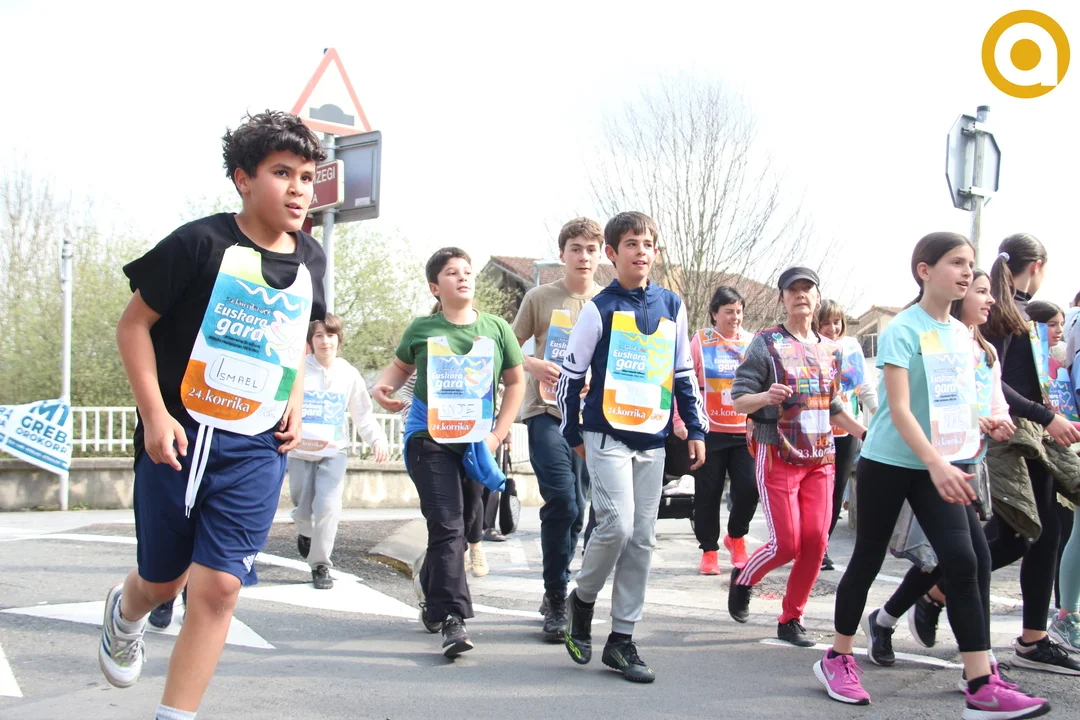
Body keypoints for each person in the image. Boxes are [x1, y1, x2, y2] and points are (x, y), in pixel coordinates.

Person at [100, 111, 327, 720]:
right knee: (162, 581)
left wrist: (294, 398)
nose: (299, 189)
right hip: (179, 438)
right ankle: (126, 612)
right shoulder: (199, 243)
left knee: (221, 586)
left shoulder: (312, 258)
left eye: (308, 177)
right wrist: (154, 415)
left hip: (256, 446)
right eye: (282, 173)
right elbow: (132, 327)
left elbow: (295, 335)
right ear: (243, 179)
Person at [814, 232, 1050, 718]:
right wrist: (939, 464)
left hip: (940, 465)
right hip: (890, 462)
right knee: (867, 559)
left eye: (970, 264)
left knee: (965, 560)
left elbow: (952, 402)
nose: (966, 272)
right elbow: (900, 410)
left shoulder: (962, 335)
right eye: (956, 263)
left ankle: (980, 683)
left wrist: (980, 422)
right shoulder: (904, 329)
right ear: (925, 270)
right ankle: (837, 657)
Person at [880, 236, 1080, 674]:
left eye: (983, 284)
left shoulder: (1003, 322)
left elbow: (995, 387)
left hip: (1008, 442)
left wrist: (1025, 414)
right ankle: (933, 627)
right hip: (980, 449)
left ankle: (991, 642)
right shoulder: (973, 325)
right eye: (975, 286)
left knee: (1000, 546)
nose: (984, 297)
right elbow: (970, 387)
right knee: (975, 550)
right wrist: (1040, 416)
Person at [558, 211, 707, 683]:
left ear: (655, 253)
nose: (641, 251)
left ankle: (621, 640)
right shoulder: (598, 309)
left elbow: (683, 373)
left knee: (643, 539)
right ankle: (582, 601)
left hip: (653, 440)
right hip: (605, 436)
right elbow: (570, 378)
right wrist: (573, 434)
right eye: (631, 244)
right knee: (616, 527)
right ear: (612, 253)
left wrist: (696, 429)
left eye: (648, 244)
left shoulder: (672, 305)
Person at [861, 270, 1015, 676]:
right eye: (980, 291)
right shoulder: (922, 335)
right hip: (922, 461)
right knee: (946, 557)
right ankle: (973, 663)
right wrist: (963, 429)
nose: (989, 299)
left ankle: (973, 664)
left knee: (968, 557)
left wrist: (996, 420)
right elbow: (916, 404)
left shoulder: (982, 349)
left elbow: (992, 399)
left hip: (967, 460)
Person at [372, 247, 525, 658]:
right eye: (452, 273)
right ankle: (453, 619)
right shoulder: (422, 328)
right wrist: (382, 388)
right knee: (448, 524)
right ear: (434, 287)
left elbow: (515, 383)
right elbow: (399, 369)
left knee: (468, 523)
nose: (463, 277)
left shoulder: (496, 329)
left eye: (467, 271)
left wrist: (497, 436)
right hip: (429, 438)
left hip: (476, 444)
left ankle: (431, 588)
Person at [727, 267, 865, 647]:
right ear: (782, 299)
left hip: (820, 456)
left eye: (808, 289)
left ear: (817, 298)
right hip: (777, 452)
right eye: (793, 290)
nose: (801, 295)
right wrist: (765, 397)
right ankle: (744, 578)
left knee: (816, 543)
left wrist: (864, 433)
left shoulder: (829, 349)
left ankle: (791, 618)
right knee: (786, 544)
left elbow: (833, 405)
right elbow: (738, 399)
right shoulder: (765, 343)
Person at [511, 216, 604, 640]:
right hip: (545, 412)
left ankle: (560, 587)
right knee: (563, 502)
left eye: (591, 250)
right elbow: (509, 346)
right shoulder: (540, 297)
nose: (583, 257)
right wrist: (533, 364)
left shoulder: (608, 301)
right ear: (562, 254)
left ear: (601, 255)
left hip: (589, 418)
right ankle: (554, 595)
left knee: (579, 508)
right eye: (575, 249)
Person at [289, 313, 390, 589]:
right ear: (310, 341)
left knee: (328, 507)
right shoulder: (299, 369)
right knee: (302, 509)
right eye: (319, 336)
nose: (325, 341)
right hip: (300, 450)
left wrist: (377, 439)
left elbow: (363, 414)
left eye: (331, 335)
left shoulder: (348, 373)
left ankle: (320, 564)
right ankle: (305, 533)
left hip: (334, 451)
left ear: (339, 339)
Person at [672, 285, 758, 575]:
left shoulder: (752, 342)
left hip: (744, 430)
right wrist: (680, 421)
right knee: (708, 493)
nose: (735, 318)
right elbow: (682, 381)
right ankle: (709, 550)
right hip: (709, 431)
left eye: (739, 312)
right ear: (714, 313)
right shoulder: (701, 340)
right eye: (729, 312)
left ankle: (737, 536)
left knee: (749, 487)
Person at [816, 299, 878, 571]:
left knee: (836, 492)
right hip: (815, 434)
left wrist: (879, 415)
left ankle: (821, 548)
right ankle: (807, 543)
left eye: (836, 322)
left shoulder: (851, 347)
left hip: (847, 431)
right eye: (825, 323)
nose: (832, 328)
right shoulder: (809, 347)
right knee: (818, 492)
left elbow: (865, 387)